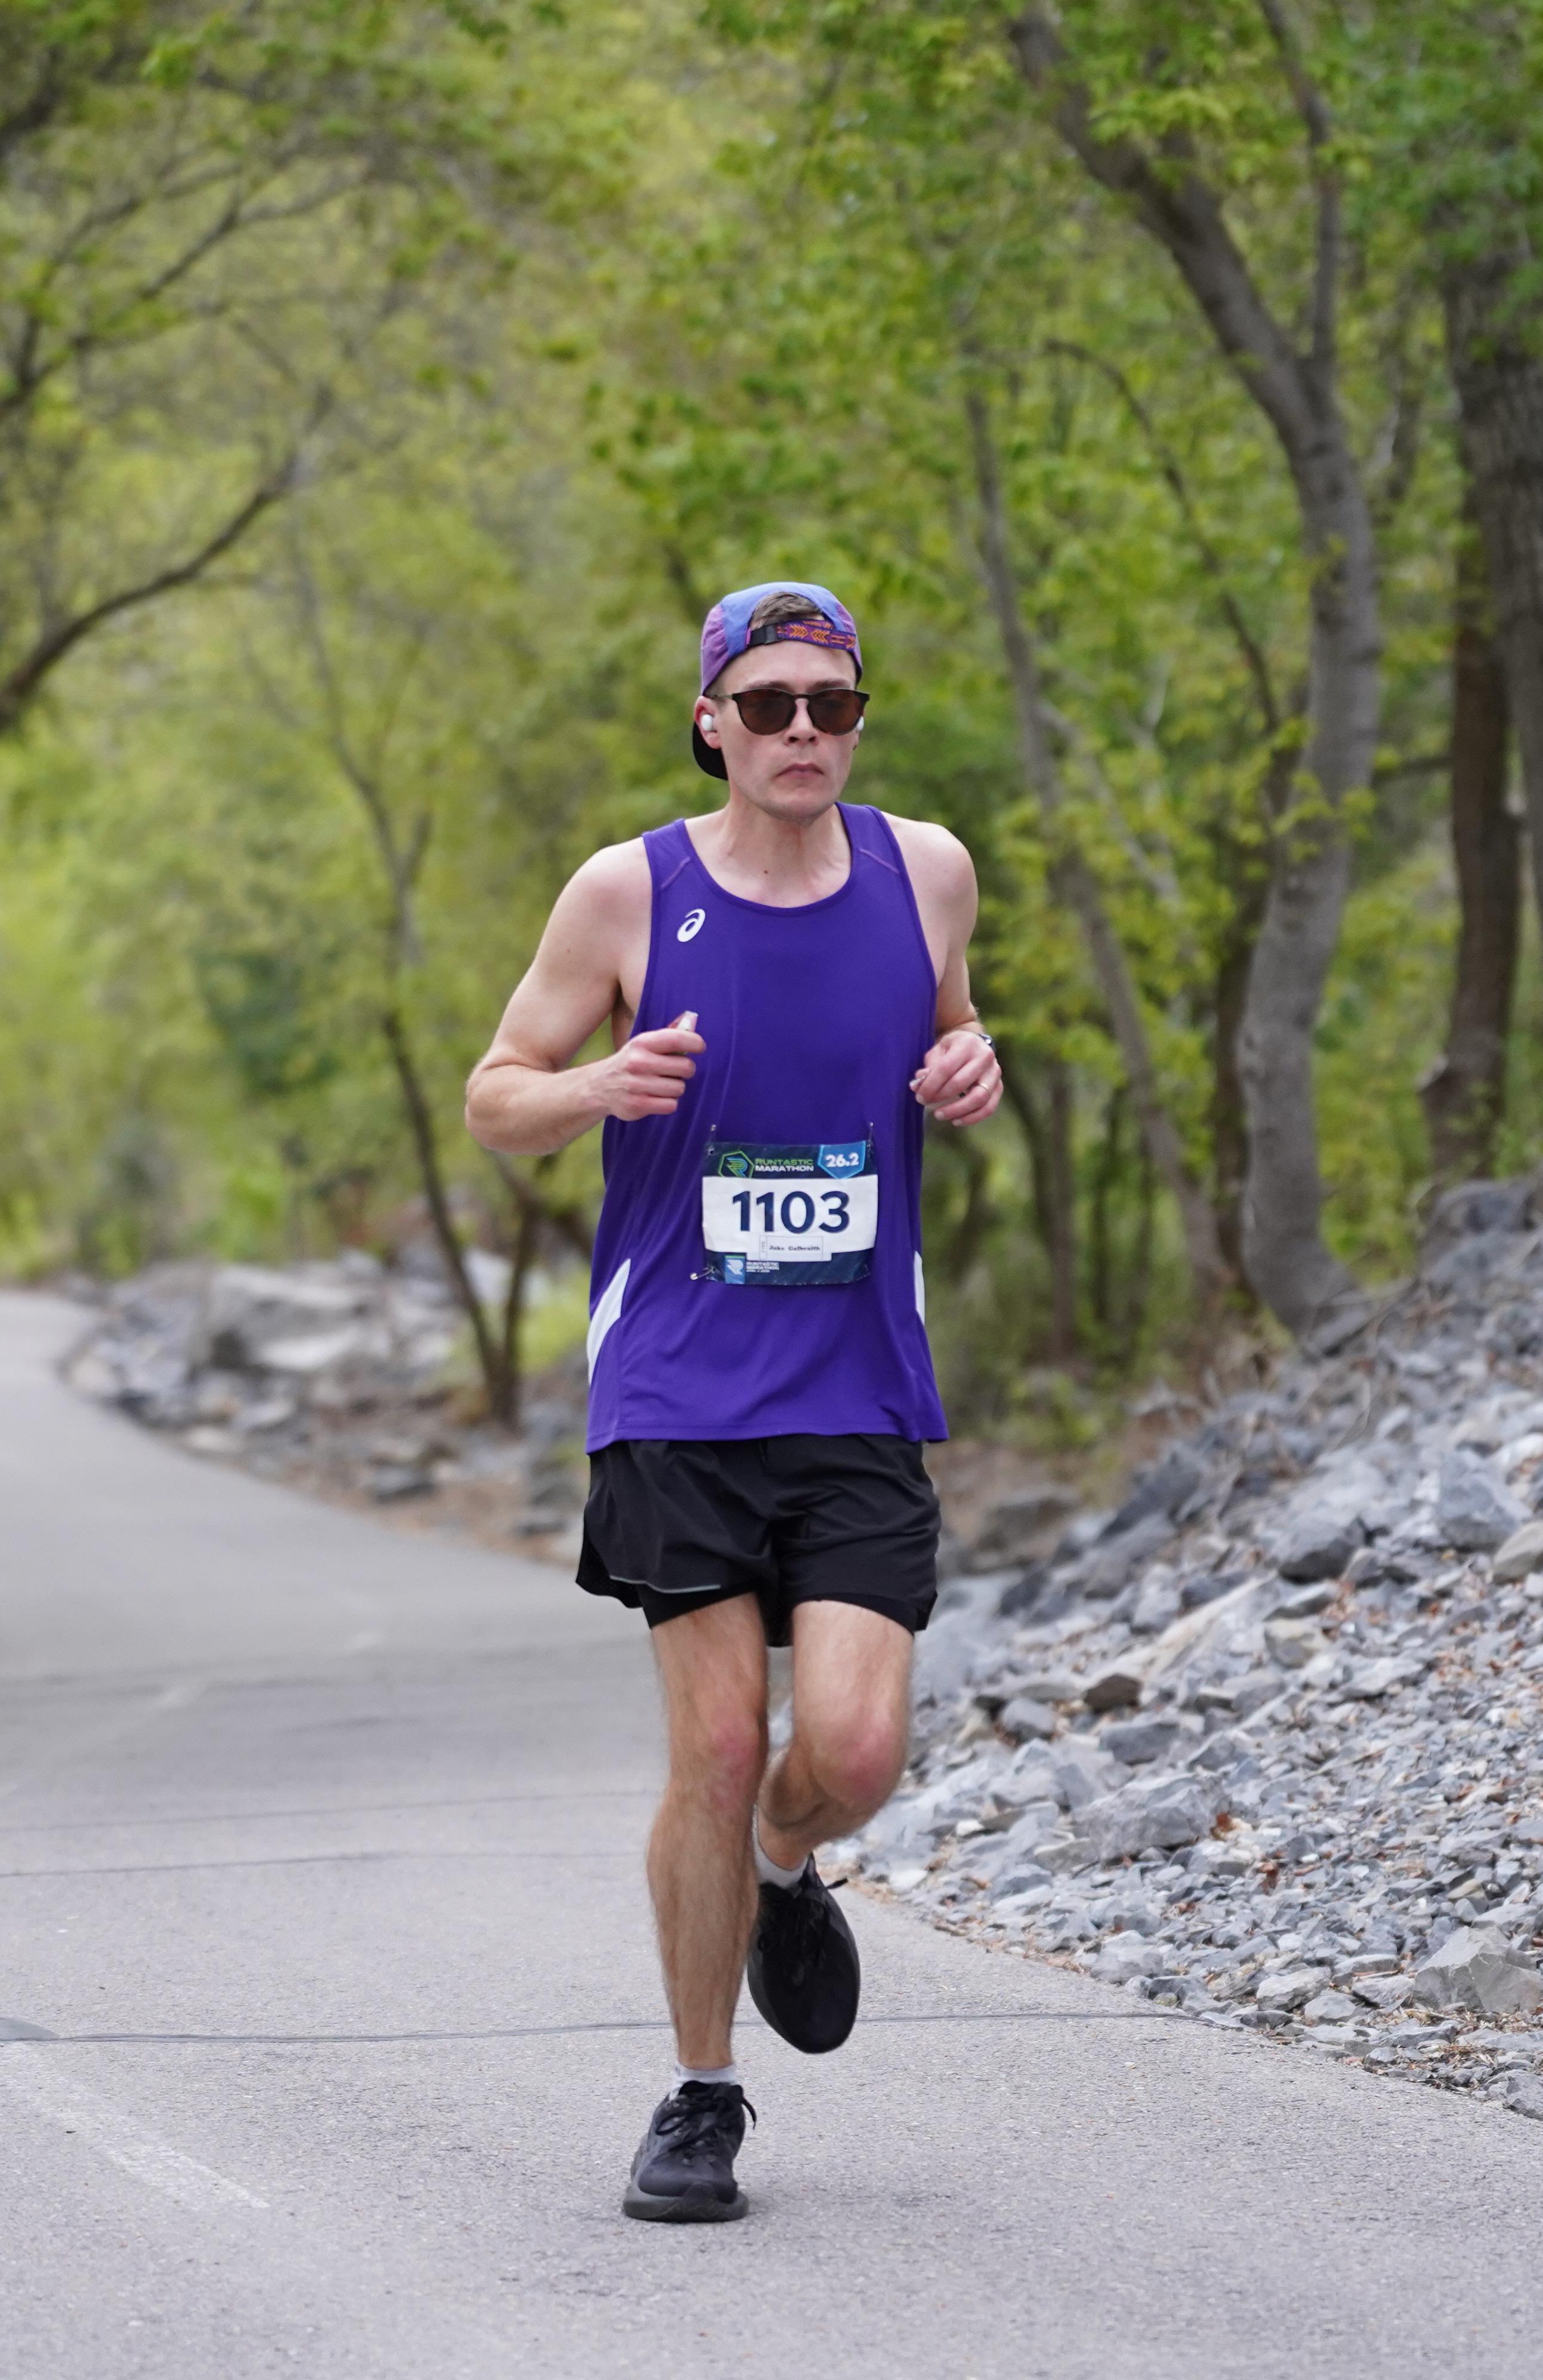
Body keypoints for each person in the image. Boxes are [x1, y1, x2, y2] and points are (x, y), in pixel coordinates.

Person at [465, 581, 1000, 2222]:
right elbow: (495, 1097)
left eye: (831, 706)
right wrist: (596, 1085)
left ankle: (783, 1863)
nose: (801, 732)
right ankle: (702, 2095)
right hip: (678, 1386)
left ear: (858, 722)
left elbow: (955, 1032)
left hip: (857, 1381)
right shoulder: (630, 891)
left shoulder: (928, 872)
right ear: (712, 722)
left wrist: (973, 1065)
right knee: (712, 1743)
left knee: (856, 1747)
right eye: (767, 705)